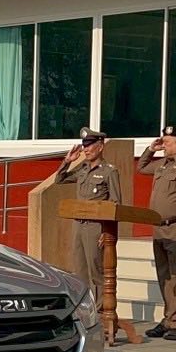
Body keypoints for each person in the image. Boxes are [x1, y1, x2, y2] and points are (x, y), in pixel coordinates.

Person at [136, 125, 176, 341]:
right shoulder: (163, 163)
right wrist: (151, 149)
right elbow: (141, 167)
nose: (163, 145)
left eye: (166, 142)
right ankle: (168, 319)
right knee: (164, 277)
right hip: (159, 227)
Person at [55, 127, 122, 302]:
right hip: (78, 225)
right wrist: (67, 161)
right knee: (80, 271)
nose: (86, 149)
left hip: (96, 227)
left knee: (96, 270)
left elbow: (115, 205)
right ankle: (85, 308)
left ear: (100, 146)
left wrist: (108, 231)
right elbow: (59, 180)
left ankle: (100, 310)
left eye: (90, 145)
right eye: (84, 145)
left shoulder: (109, 171)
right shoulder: (82, 169)